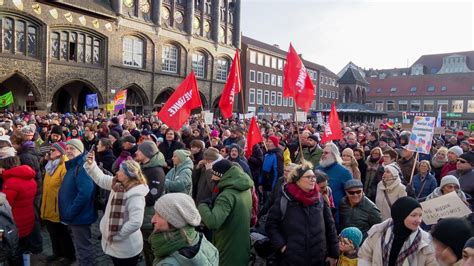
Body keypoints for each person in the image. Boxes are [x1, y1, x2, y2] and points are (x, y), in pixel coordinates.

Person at [265, 161, 339, 266]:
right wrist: (282, 247)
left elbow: (330, 227)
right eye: (308, 177)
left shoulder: (320, 199)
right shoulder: (285, 199)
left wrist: (333, 253)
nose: (313, 179)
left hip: (318, 258)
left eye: (313, 177)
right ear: (297, 181)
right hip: (292, 260)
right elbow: (271, 225)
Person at [84, 152, 148, 266]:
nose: (117, 173)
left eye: (120, 171)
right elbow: (101, 179)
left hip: (126, 247)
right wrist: (92, 164)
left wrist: (117, 235)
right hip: (116, 245)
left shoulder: (136, 195)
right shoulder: (118, 185)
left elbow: (136, 222)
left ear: (128, 175)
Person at [198, 159, 253, 266]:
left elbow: (213, 222)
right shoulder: (244, 187)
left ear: (223, 176)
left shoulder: (227, 195)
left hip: (228, 245)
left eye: (214, 175)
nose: (212, 178)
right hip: (241, 243)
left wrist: (202, 206)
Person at [358, 197, 437, 265]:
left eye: (420, 215)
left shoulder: (426, 241)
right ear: (400, 215)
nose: (419, 220)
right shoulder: (378, 232)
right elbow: (364, 257)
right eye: (413, 215)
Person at [150, 193, 219, 265]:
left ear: (174, 221)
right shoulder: (199, 239)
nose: (152, 220)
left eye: (159, 216)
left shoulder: (168, 263)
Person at [58, 139, 97, 266]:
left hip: (80, 216)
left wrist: (70, 211)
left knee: (83, 248)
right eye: (67, 148)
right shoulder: (73, 165)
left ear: (80, 151)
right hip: (76, 215)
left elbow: (85, 193)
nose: (68, 151)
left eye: (72, 149)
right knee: (81, 247)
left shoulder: (82, 167)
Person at [40, 142, 76, 264]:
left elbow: (67, 189)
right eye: (50, 150)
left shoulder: (64, 166)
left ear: (61, 152)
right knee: (52, 231)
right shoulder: (50, 165)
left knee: (62, 233)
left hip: (58, 206)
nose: (50, 152)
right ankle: (57, 253)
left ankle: (69, 255)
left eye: (53, 150)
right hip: (48, 204)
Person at [134, 140, 166, 266]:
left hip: (149, 218)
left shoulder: (156, 172)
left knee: (151, 251)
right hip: (143, 215)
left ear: (147, 154)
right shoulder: (144, 167)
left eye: (139, 150)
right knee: (146, 251)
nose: (136, 152)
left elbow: (152, 197)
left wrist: (134, 195)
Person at [0, 155, 37, 264]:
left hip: (15, 223)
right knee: (23, 247)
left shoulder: (11, 183)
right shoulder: (29, 177)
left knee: (14, 251)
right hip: (28, 219)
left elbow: (5, 205)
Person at [317, 142, 353, 224]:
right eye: (322, 152)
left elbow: (351, 194)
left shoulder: (344, 172)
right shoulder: (318, 169)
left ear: (334, 155)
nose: (323, 155)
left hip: (336, 215)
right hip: (318, 213)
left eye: (326, 153)